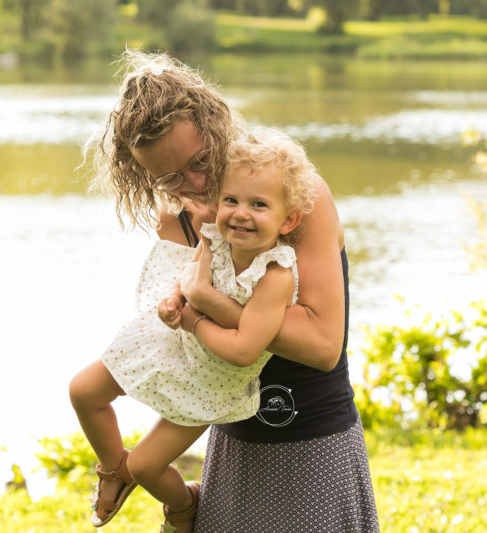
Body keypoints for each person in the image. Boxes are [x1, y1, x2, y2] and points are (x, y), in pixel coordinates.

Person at [70, 50, 379, 532]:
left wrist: (207, 305)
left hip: (312, 442)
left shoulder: (298, 198)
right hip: (235, 443)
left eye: (201, 161)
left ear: (216, 127)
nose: (196, 184)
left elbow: (322, 346)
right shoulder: (180, 221)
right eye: (171, 178)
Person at [71, 129, 315, 532]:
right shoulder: (214, 237)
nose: (240, 213)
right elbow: (189, 278)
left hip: (212, 380)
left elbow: (243, 351)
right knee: (82, 391)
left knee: (147, 466)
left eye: (258, 205)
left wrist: (194, 320)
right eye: (231, 200)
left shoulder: (275, 276)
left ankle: (184, 507)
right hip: (177, 342)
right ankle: (113, 470)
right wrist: (174, 302)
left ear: (287, 219)